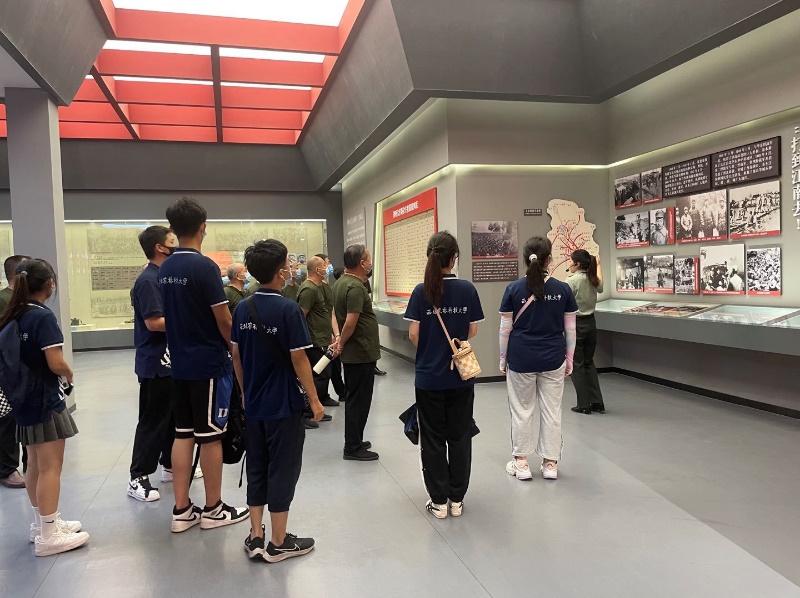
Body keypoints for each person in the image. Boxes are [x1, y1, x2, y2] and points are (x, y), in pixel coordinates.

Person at [231, 239, 324, 563]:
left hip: (254, 405)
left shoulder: (242, 308)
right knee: (283, 469)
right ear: (280, 270)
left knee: (257, 466)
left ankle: (256, 536)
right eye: (287, 265)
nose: (290, 269)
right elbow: (299, 358)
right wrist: (315, 400)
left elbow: (236, 356)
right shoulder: (288, 309)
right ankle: (279, 541)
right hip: (283, 404)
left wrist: (245, 393)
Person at [159, 197, 248, 533]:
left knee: (183, 434)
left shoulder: (166, 268)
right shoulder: (205, 267)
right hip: (208, 364)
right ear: (203, 227)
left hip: (179, 363)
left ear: (173, 229)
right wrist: (236, 351)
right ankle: (213, 508)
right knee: (211, 437)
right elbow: (224, 320)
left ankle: (182, 509)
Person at [0, 259, 88, 556]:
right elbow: (55, 362)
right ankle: (49, 536)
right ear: (50, 284)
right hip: (45, 400)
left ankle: (42, 524)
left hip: (23, 400)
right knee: (51, 467)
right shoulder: (42, 316)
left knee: (34, 465)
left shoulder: (15, 313)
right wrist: (69, 372)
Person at [404, 232, 484, 519]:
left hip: (429, 378)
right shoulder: (467, 289)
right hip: (461, 376)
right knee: (460, 436)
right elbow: (472, 330)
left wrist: (430, 351)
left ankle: (438, 502)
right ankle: (457, 500)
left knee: (433, 438)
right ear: (454, 258)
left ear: (429, 256)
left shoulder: (420, 291)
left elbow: (414, 334)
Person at [499, 237, 577, 481]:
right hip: (553, 357)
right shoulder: (563, 289)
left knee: (521, 410)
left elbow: (505, 329)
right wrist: (569, 359)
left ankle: (521, 463)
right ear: (549, 259)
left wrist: (502, 359)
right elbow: (570, 330)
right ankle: (550, 464)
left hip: (521, 357)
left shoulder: (513, 289)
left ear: (525, 259)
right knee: (552, 411)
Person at [127, 227, 178, 502]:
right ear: (160, 247)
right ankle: (138, 477)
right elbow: (154, 322)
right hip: (156, 363)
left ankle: (169, 465)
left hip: (171, 362)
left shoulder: (163, 276)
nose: (175, 245)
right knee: (153, 421)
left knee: (172, 417)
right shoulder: (148, 280)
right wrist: (188, 320)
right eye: (172, 241)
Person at [333, 245, 380, 461]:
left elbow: (336, 314)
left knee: (356, 398)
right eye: (368, 259)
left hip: (357, 351)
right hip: (360, 351)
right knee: (359, 400)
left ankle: (356, 439)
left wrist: (338, 339)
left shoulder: (341, 283)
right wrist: (341, 342)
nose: (370, 262)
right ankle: (352, 446)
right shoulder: (355, 287)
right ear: (362, 263)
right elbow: (351, 322)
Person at [0, 254, 31, 489]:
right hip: (6, 371)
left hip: (23, 370)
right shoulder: (4, 300)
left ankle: (27, 464)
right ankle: (7, 469)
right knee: (7, 420)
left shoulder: (24, 299)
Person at [297, 256, 341, 409]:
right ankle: (311, 408)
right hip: (314, 339)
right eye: (324, 265)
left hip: (322, 337)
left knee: (325, 372)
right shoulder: (309, 290)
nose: (327, 268)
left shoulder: (318, 287)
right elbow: (300, 317)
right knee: (320, 373)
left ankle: (321, 398)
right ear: (317, 270)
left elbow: (327, 312)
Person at [566, 250, 605, 416]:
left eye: (571, 261)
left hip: (576, 324)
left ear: (577, 264)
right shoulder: (593, 278)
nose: (569, 264)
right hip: (591, 323)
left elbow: (565, 304)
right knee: (589, 362)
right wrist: (598, 265)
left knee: (577, 364)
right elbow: (601, 287)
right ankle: (597, 402)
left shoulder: (571, 281)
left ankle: (583, 404)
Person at [315, 254, 346, 402]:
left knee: (334, 364)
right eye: (326, 264)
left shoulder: (326, 285)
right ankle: (322, 396)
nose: (329, 266)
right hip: (321, 334)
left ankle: (339, 392)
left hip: (330, 330)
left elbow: (331, 312)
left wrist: (336, 333)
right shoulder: (315, 288)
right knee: (325, 367)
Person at [329, 267, 347, 402]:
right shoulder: (333, 289)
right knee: (332, 365)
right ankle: (341, 391)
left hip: (337, 333)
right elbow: (331, 314)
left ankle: (342, 391)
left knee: (337, 364)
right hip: (328, 334)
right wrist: (335, 334)